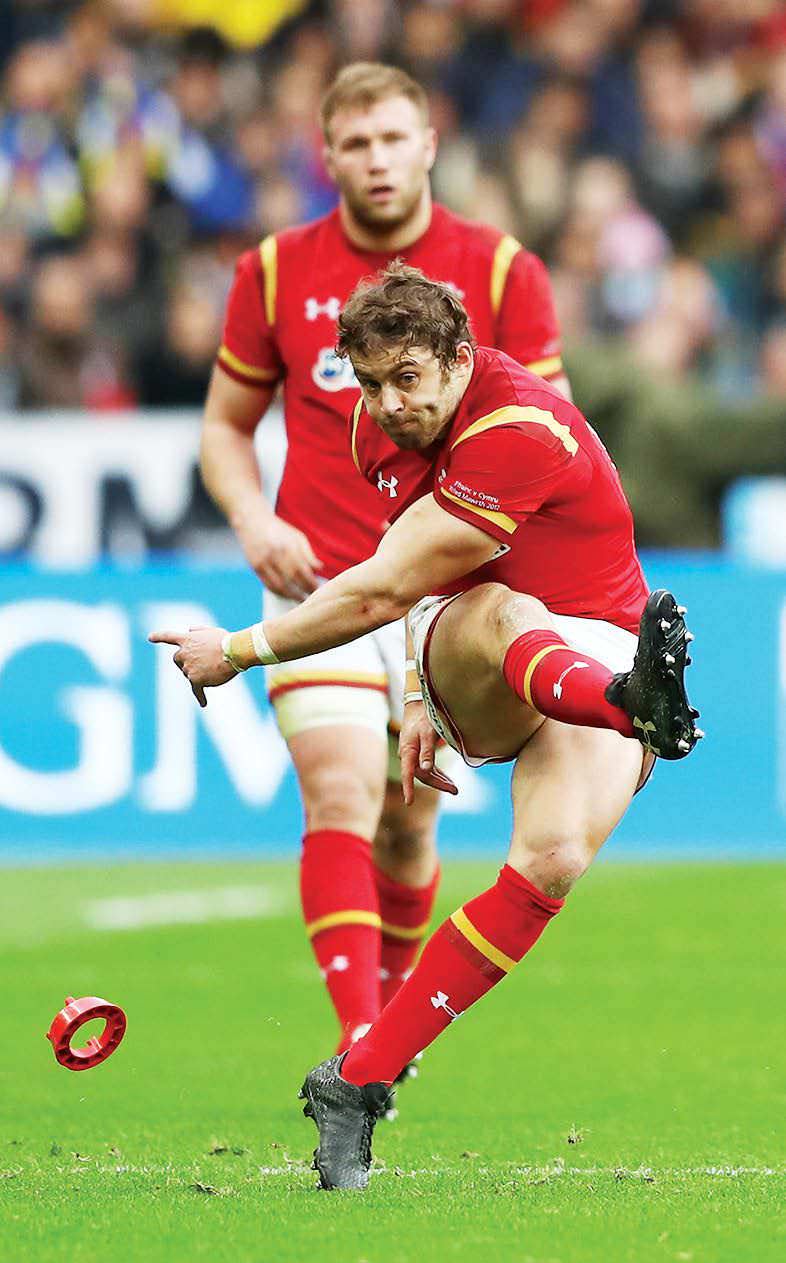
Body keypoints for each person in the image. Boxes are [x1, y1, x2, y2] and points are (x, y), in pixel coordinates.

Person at [151, 263, 702, 1189]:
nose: (388, 404)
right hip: (504, 643)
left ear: (460, 357)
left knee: (553, 859)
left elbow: (390, 579)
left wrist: (243, 649)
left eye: (407, 378)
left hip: (597, 641)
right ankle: (632, 702)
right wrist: (407, 689)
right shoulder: (376, 430)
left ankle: (354, 1080)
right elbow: (402, 580)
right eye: (370, 383)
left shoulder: (518, 429)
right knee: (506, 609)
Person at [199, 61, 570, 1057]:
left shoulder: (501, 270)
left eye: (393, 138)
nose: (376, 159)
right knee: (341, 788)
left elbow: (551, 432)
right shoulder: (272, 270)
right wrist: (253, 521)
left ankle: (380, 1041)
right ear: (325, 156)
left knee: (408, 829)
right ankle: (361, 1047)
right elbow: (225, 427)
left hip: (443, 591)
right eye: (356, 142)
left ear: (429, 145)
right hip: (319, 580)